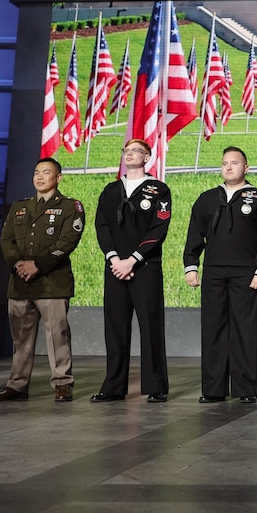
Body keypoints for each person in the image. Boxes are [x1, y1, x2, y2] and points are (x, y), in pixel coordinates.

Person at [184, 147, 257, 404]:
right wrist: (191, 265)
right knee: (213, 329)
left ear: (246, 168)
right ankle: (213, 389)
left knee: (245, 330)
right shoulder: (207, 199)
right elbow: (194, 234)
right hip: (213, 272)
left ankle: (245, 389)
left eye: (234, 163)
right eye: (225, 163)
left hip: (246, 275)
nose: (229, 167)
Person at [0, 158, 85, 402]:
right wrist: (17, 264)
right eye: (36, 172)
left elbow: (67, 242)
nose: (40, 177)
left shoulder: (70, 206)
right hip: (20, 282)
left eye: (46, 172)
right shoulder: (20, 207)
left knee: (57, 335)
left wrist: (38, 265)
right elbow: (7, 239)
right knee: (21, 339)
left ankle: (62, 384)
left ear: (58, 177)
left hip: (52, 283)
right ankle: (17, 385)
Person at [90, 139, 172, 404]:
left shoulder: (158, 189)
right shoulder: (111, 189)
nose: (130, 154)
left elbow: (159, 228)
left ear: (147, 157)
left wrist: (133, 260)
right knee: (114, 327)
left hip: (145, 267)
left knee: (150, 326)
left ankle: (156, 385)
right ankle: (113, 386)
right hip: (115, 268)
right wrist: (115, 258)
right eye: (126, 151)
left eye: (136, 151)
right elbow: (102, 225)